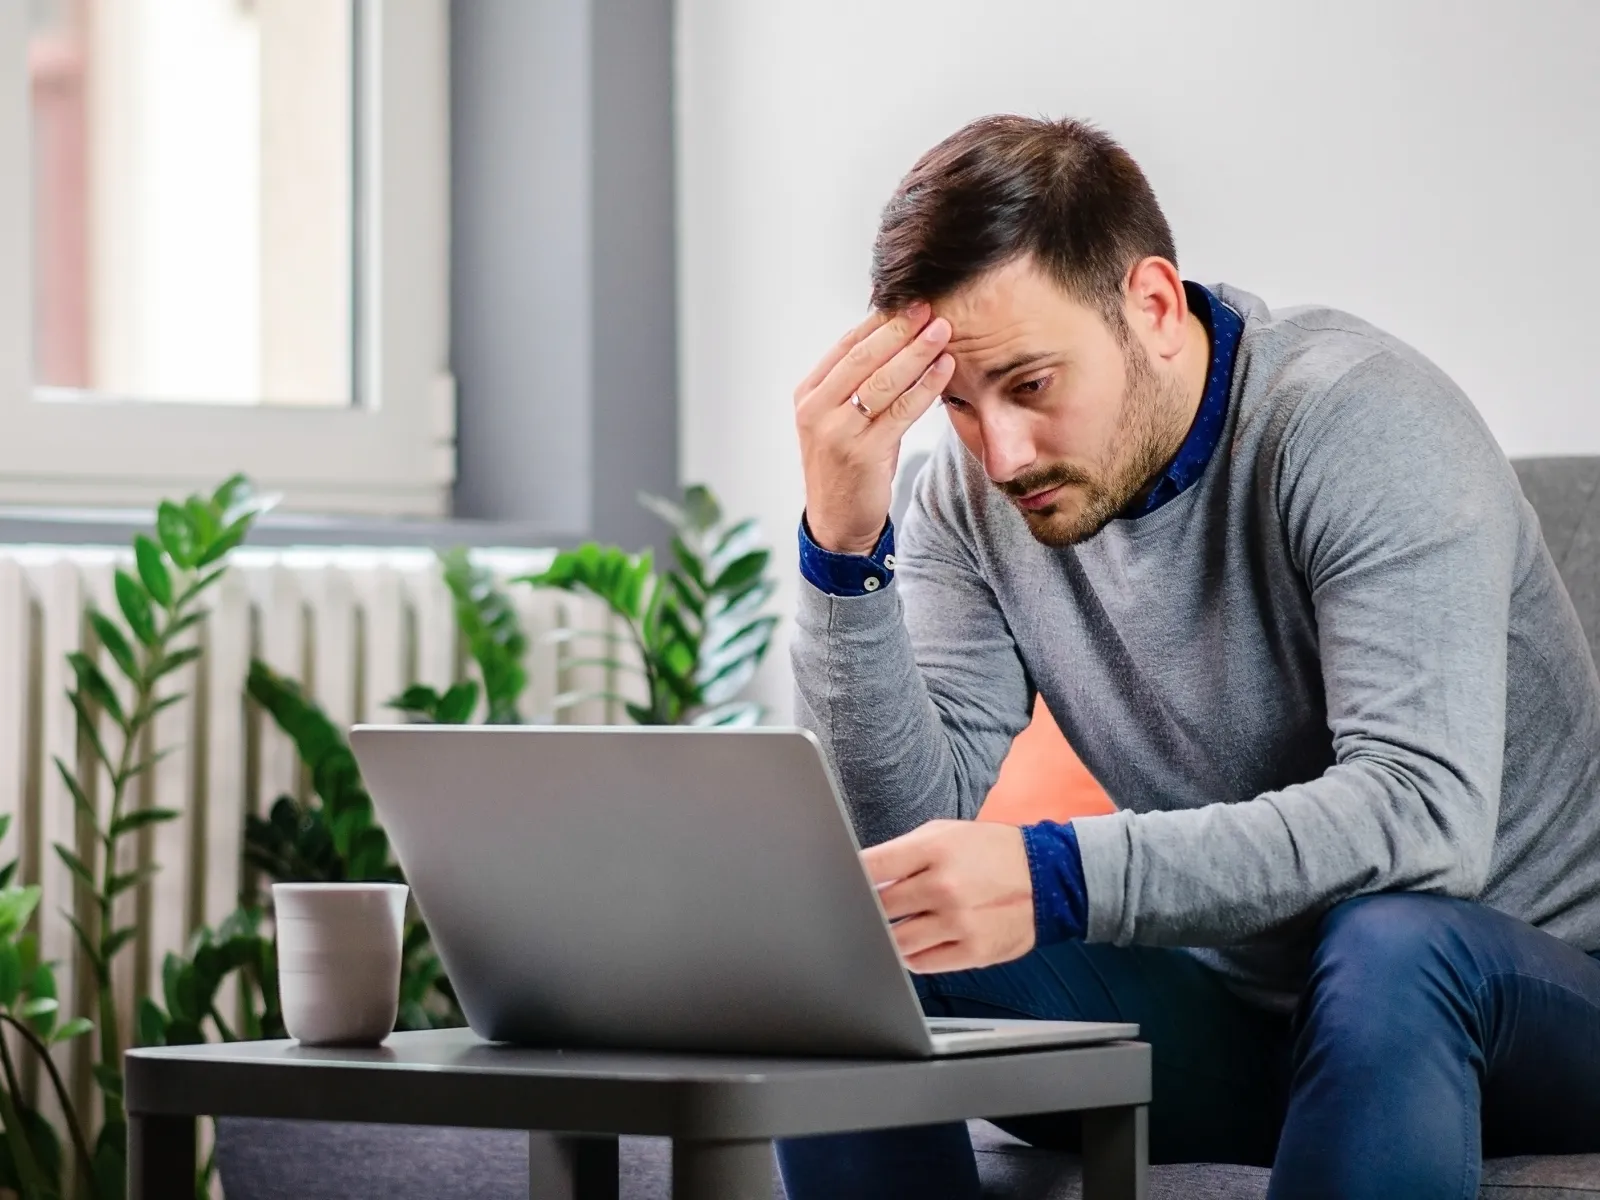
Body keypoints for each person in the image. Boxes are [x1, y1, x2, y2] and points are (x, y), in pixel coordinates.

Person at [780, 114, 1600, 1200]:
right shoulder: (964, 493)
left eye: (1030, 385)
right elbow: (894, 838)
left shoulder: (1358, 423)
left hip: (1517, 1004)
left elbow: (1422, 821)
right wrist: (843, 548)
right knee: (847, 941)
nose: (1001, 452)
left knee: (1396, 944)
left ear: (1153, 307)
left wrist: (1060, 876)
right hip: (1248, 1020)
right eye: (955, 405)